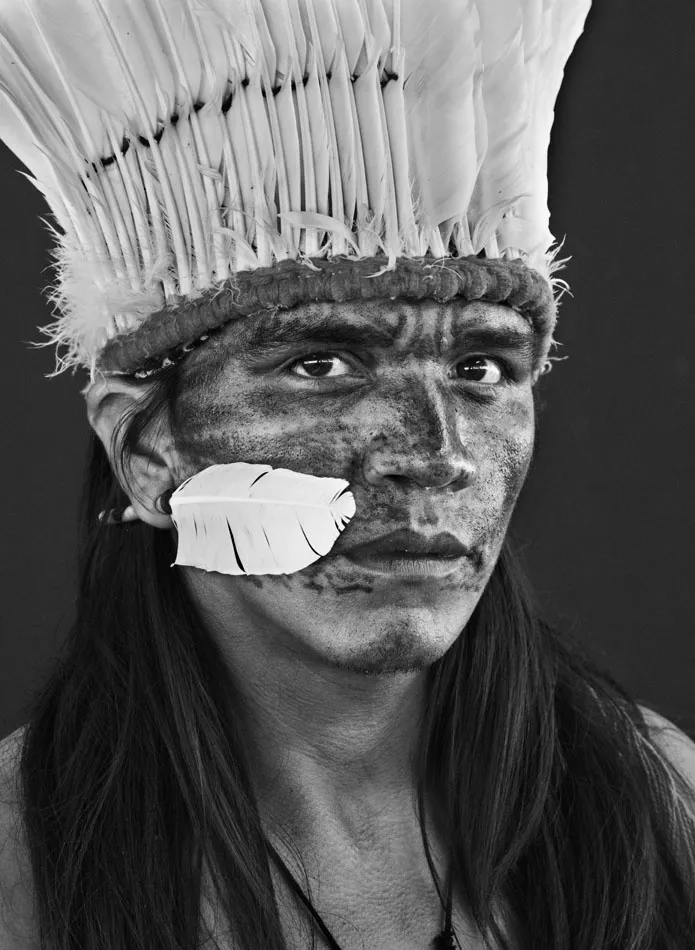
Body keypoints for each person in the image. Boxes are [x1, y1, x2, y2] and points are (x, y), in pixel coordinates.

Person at [0, 1, 694, 948]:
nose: (435, 454)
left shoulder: (661, 804)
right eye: (322, 364)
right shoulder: (22, 864)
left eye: (480, 368)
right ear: (149, 450)